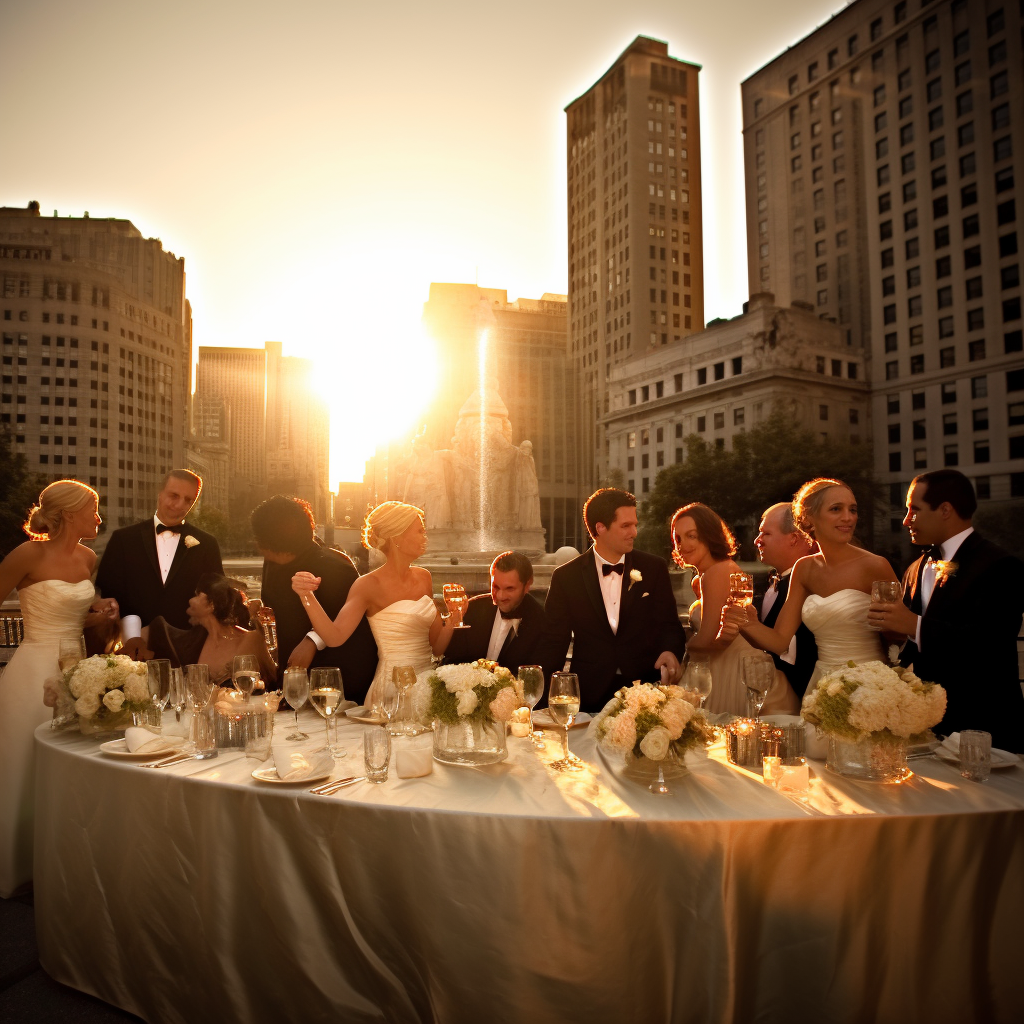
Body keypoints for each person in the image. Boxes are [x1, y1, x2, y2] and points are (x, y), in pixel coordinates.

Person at [0, 480, 118, 897]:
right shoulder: (28, 553)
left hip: (77, 673)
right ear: (69, 513)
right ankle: (16, 867)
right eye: (93, 508)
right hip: (31, 671)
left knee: (65, 765)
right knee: (23, 764)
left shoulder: (88, 558)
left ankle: (58, 861)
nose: (98, 517)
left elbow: (75, 618)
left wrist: (102, 613)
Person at [867, 470, 1024, 750]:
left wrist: (914, 625)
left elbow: (991, 642)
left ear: (945, 510)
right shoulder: (915, 569)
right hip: (924, 728)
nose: (905, 520)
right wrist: (897, 636)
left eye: (914, 510)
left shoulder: (1000, 566)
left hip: (982, 727)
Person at [721, 478, 903, 690]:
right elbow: (779, 642)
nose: (848, 518)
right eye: (836, 509)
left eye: (852, 509)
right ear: (809, 518)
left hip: (871, 686)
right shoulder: (804, 568)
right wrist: (747, 622)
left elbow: (899, 636)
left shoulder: (875, 566)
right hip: (823, 685)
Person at [291, 501, 460, 708]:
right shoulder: (367, 585)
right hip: (392, 690)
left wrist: (453, 616)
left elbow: (436, 648)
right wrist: (306, 596)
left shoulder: (424, 577)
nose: (425, 537)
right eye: (419, 531)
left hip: (428, 687)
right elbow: (334, 637)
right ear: (397, 537)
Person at [537, 488, 686, 713]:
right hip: (589, 693)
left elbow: (669, 625)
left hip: (645, 690)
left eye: (635, 524)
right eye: (626, 526)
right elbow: (554, 641)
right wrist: (538, 700)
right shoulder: (566, 577)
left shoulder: (653, 568)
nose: (634, 532)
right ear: (600, 528)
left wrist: (670, 651)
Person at [673, 502, 798, 716]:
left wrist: (678, 654)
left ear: (709, 535)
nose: (682, 545)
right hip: (719, 665)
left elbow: (707, 639)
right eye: (678, 538)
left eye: (691, 536)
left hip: (735, 671)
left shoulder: (717, 572)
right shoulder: (703, 577)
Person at [250, 496, 377, 702]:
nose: (256, 543)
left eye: (259, 538)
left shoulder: (334, 566)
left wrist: (312, 640)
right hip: (291, 667)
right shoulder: (272, 561)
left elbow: (346, 618)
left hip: (335, 675)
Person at [96, 470, 223, 638]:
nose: (179, 505)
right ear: (160, 494)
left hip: (189, 644)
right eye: (174, 495)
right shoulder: (123, 539)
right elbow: (108, 592)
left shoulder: (207, 544)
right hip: (134, 643)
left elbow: (217, 596)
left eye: (188, 500)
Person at [142, 573, 276, 686]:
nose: (190, 600)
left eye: (197, 595)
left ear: (210, 604)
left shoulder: (250, 639)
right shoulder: (196, 641)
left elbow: (275, 680)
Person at [443, 550, 547, 674]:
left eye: (510, 588)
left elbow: (536, 680)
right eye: (496, 587)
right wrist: (452, 619)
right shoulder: (472, 609)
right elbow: (451, 658)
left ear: (527, 585)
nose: (501, 596)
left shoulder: (541, 621)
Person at [754, 503, 819, 701]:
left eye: (766, 533)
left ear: (793, 538)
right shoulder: (774, 581)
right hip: (773, 697)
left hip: (806, 697)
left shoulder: (815, 584)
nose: (757, 541)